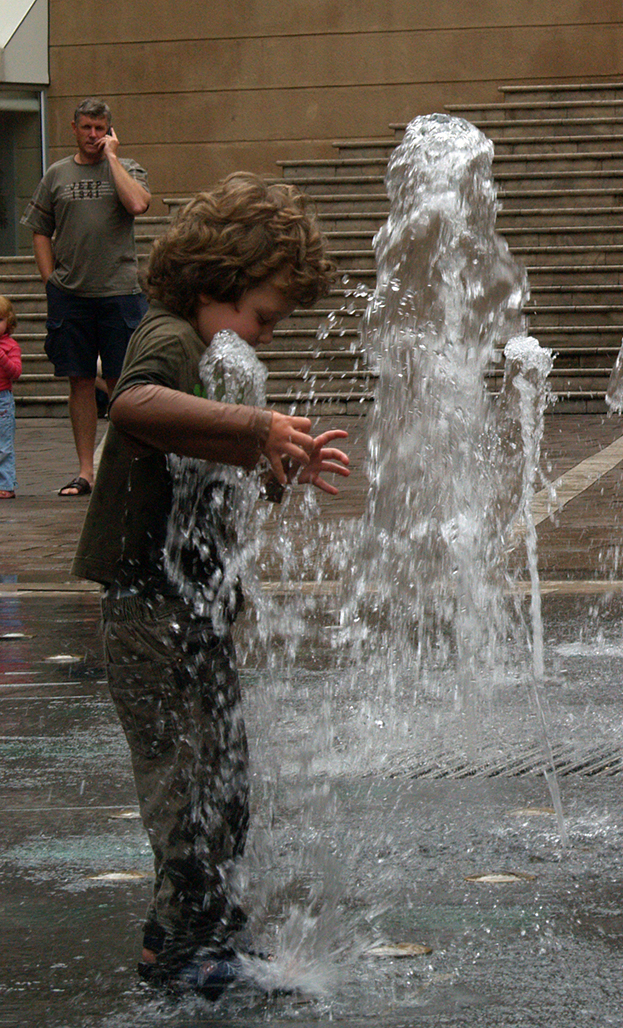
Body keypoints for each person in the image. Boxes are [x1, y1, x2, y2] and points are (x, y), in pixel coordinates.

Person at [72, 173, 347, 997]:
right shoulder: (166, 337)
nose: (261, 338)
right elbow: (134, 406)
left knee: (224, 787)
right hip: (146, 610)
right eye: (261, 318)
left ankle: (196, 935)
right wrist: (257, 426)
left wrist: (268, 471)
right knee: (184, 790)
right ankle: (190, 950)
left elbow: (203, 478)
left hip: (192, 609)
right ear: (212, 284)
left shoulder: (212, 352)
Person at [21, 98, 152, 497]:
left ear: (110, 130)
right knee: (79, 380)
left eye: (100, 128)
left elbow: (138, 204)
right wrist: (50, 281)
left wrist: (113, 159)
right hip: (71, 295)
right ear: (74, 129)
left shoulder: (128, 169)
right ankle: (86, 472)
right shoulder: (57, 175)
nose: (93, 135)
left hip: (120, 292)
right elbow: (40, 228)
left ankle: (128, 466)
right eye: (87, 128)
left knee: (122, 382)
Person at [0, 296, 20, 499]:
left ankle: (6, 483)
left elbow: (16, 372)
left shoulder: (10, 346)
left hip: (2, 399)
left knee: (3, 444)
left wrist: (2, 357)